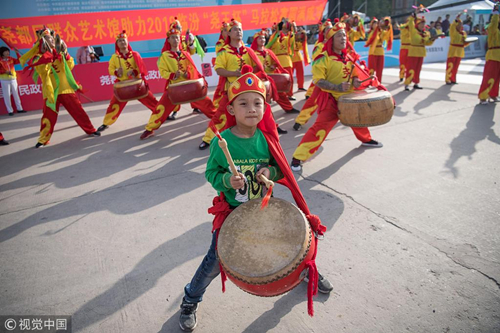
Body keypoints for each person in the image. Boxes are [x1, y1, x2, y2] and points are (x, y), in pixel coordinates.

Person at [178, 65, 332, 332]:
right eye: (243, 103)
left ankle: (305, 271)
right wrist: (227, 180)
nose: (251, 109)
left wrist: (268, 171)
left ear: (265, 107)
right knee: (214, 262)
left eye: (257, 103)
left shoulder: (266, 138)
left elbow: (278, 167)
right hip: (234, 213)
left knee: (292, 242)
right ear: (231, 110)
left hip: (262, 207)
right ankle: (190, 299)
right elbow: (211, 173)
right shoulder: (222, 141)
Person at [290, 19, 382, 172]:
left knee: (358, 120)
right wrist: (337, 87)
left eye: (345, 36)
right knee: (319, 129)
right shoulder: (323, 58)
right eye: (340, 36)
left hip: (349, 100)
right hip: (332, 101)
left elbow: (354, 77)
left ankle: (366, 139)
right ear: (331, 39)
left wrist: (356, 82)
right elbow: (318, 81)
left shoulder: (348, 58)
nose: (344, 38)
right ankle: (297, 158)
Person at [19, 27, 100, 148]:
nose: (51, 41)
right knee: (48, 116)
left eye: (52, 39)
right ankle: (43, 139)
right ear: (42, 42)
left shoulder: (61, 53)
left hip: (65, 88)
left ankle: (90, 130)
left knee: (78, 111)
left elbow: (70, 66)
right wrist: (48, 56)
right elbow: (42, 71)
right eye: (47, 39)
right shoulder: (37, 57)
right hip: (51, 92)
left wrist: (65, 54)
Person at [197, 18, 265, 150]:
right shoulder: (224, 51)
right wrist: (234, 73)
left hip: (248, 90)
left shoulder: (249, 51)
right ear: (228, 33)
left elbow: (258, 68)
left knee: (253, 113)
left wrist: (254, 70)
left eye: (240, 29)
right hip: (231, 90)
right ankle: (208, 139)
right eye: (235, 29)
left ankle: (260, 137)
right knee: (220, 116)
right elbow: (219, 70)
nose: (238, 32)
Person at [139, 26, 216, 140]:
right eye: (173, 38)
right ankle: (150, 129)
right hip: (175, 89)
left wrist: (187, 74)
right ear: (168, 40)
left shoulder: (185, 54)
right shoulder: (165, 56)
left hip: (190, 87)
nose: (175, 40)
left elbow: (192, 68)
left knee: (208, 105)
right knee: (161, 108)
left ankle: (221, 123)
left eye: (177, 37)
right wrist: (174, 75)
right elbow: (163, 71)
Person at [96, 31, 158, 132]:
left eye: (123, 40)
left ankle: (161, 115)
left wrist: (134, 71)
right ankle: (106, 122)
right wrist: (116, 72)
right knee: (114, 105)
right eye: (119, 41)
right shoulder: (115, 57)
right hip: (123, 86)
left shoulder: (135, 55)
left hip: (136, 84)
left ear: (127, 41)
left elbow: (142, 68)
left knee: (151, 100)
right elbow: (110, 69)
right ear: (117, 44)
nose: (122, 42)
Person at [404, 10, 439, 91]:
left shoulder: (426, 33)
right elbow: (410, 23)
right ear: (417, 24)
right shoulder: (413, 31)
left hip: (421, 52)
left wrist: (432, 39)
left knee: (418, 69)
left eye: (423, 24)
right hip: (413, 52)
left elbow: (427, 43)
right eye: (421, 24)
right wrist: (412, 17)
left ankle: (416, 82)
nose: (423, 25)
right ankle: (407, 83)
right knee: (410, 68)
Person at [266, 18, 296, 100]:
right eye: (282, 28)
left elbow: (292, 47)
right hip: (276, 60)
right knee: (277, 80)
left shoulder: (290, 36)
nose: (284, 30)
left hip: (286, 59)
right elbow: (268, 46)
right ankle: (275, 95)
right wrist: (276, 36)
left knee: (289, 79)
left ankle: (290, 94)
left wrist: (290, 56)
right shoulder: (274, 36)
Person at [478, 5, 500, 104]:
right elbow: (494, 23)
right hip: (493, 55)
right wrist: (495, 13)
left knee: (497, 78)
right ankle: (483, 96)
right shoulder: (492, 29)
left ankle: (493, 94)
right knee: (489, 76)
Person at [365, 17, 393, 83]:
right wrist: (376, 32)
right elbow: (369, 41)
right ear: (372, 25)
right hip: (373, 52)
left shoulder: (382, 32)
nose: (376, 24)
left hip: (380, 51)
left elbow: (387, 35)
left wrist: (388, 25)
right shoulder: (371, 33)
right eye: (374, 23)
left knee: (380, 69)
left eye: (377, 23)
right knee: (371, 69)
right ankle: (370, 82)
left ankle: (378, 82)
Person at [0, 46, 26, 116]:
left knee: (16, 94)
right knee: (7, 95)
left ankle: (19, 109)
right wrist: (5, 72)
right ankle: (10, 110)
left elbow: (19, 60)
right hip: (4, 80)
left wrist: (17, 53)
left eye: (8, 51)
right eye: (6, 51)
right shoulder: (0, 61)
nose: (8, 53)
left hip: (13, 79)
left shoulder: (10, 59)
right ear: (2, 53)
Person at [446, 13, 470, 85]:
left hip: (460, 50)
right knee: (450, 65)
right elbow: (452, 26)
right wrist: (456, 19)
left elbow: (464, 42)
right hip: (453, 50)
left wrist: (466, 43)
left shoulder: (463, 33)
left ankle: (453, 79)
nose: (460, 26)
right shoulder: (453, 31)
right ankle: (448, 79)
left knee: (456, 66)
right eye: (459, 24)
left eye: (461, 24)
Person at [292, 27, 310, 92]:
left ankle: (300, 86)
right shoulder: (290, 38)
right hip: (291, 58)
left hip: (298, 57)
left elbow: (302, 48)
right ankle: (289, 89)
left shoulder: (299, 40)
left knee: (300, 74)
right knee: (290, 75)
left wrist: (303, 39)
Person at [397, 18, 411, 82]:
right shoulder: (403, 28)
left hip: (411, 48)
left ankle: (408, 77)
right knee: (402, 63)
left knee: (410, 64)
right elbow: (400, 27)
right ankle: (401, 76)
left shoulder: (413, 30)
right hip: (403, 48)